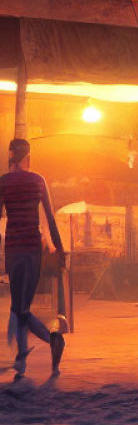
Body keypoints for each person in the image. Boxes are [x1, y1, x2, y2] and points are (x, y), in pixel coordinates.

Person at [0, 138, 66, 378]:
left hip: (14, 250)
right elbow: (50, 218)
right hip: (33, 250)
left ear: (10, 157)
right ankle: (24, 357)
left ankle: (47, 342)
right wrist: (59, 249)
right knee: (22, 307)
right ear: (28, 157)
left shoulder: (4, 182)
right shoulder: (38, 180)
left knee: (20, 309)